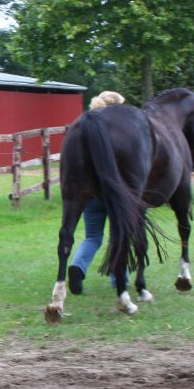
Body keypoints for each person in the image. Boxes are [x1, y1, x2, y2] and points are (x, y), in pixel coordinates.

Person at [68, 90, 126, 295]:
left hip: (90, 194)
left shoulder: (86, 131)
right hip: (114, 193)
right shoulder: (119, 134)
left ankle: (78, 266)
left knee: (92, 237)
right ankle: (119, 278)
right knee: (118, 235)